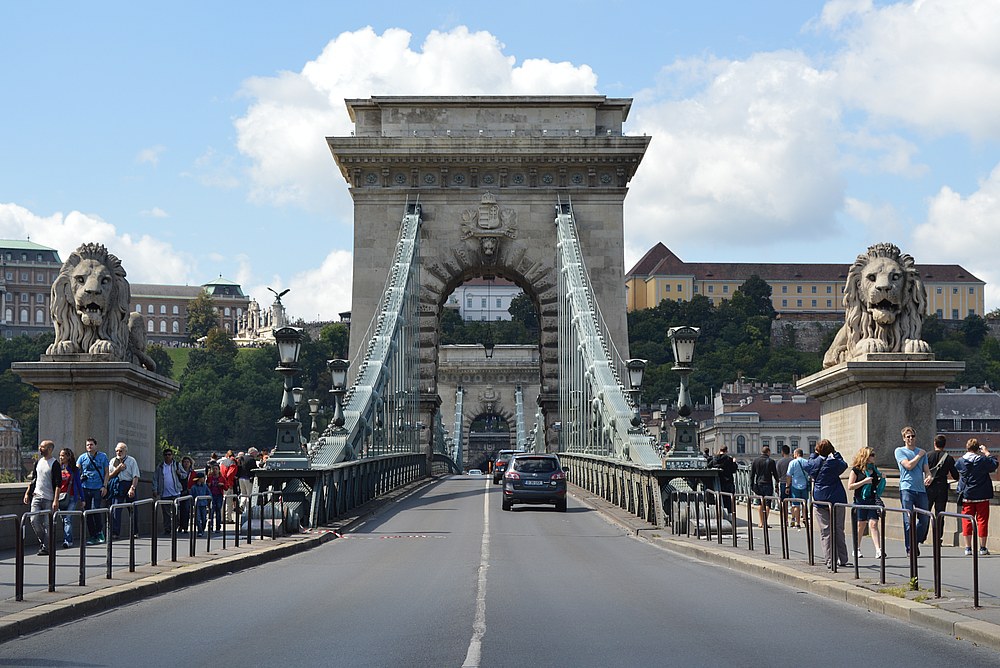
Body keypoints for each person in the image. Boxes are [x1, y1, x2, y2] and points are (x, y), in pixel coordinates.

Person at [803, 439, 849, 569]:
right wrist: (835, 453)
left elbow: (807, 465)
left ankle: (830, 560)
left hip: (820, 498)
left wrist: (815, 454)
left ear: (817, 450)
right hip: (837, 497)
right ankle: (843, 558)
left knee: (825, 531)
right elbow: (844, 465)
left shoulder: (814, 463)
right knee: (839, 529)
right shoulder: (835, 463)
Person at [955, 438, 998, 556]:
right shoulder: (983, 461)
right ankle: (982, 547)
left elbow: (957, 468)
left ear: (967, 448)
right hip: (982, 494)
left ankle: (968, 547)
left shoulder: (960, 461)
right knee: (982, 521)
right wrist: (987, 452)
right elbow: (994, 464)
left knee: (967, 521)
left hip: (967, 495)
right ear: (977, 448)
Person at [895, 426, 931, 556]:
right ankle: (910, 547)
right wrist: (919, 455)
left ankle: (915, 541)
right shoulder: (900, 451)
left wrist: (929, 476)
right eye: (908, 436)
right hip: (907, 488)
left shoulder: (922, 453)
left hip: (920, 489)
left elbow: (926, 469)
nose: (910, 439)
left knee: (925, 519)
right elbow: (908, 466)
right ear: (904, 438)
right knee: (908, 520)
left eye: (912, 436)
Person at [23, 440, 61, 555]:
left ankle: (46, 546)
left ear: (49, 449)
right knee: (33, 520)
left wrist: (55, 500)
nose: (40, 448)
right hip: (36, 496)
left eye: (43, 447)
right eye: (40, 446)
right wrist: (27, 493)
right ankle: (46, 542)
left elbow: (58, 484)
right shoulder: (38, 462)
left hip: (49, 498)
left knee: (48, 524)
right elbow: (34, 479)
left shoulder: (54, 464)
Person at [848, 447, 885, 559]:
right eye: (871, 455)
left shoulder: (874, 470)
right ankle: (857, 547)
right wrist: (863, 482)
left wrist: (882, 479)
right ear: (865, 456)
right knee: (861, 524)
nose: (874, 457)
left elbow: (876, 486)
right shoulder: (856, 470)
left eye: (873, 454)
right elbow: (850, 486)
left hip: (872, 499)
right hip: (860, 499)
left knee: (873, 524)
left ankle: (879, 550)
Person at [76, 437, 109, 545]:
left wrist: (104, 486)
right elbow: (76, 471)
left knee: (95, 510)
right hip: (85, 487)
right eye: (87, 445)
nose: (89, 447)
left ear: (96, 445)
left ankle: (99, 532)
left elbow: (106, 473)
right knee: (87, 512)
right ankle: (92, 535)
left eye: (91, 445)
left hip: (97, 488)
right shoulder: (82, 457)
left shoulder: (103, 457)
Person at [107, 442, 140, 539]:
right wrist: (117, 469)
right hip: (118, 485)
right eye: (117, 450)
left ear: (125, 451)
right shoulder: (113, 461)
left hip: (128, 484)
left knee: (133, 510)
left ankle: (135, 532)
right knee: (116, 509)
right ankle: (115, 532)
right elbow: (108, 476)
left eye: (120, 451)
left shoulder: (131, 461)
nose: (118, 452)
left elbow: (135, 476)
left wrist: (132, 488)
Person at [926, 434, 959, 524]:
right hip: (942, 487)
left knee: (925, 513)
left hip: (928, 486)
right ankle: (938, 536)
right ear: (944, 444)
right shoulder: (949, 458)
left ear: (934, 443)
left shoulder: (927, 456)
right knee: (940, 515)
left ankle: (922, 535)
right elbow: (955, 475)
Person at [57, 447, 84, 549]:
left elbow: (78, 484)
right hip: (60, 497)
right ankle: (68, 538)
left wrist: (82, 498)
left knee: (68, 519)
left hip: (72, 497)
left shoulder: (74, 470)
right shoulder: (58, 468)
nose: (61, 457)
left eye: (63, 455)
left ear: (68, 457)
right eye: (60, 455)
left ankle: (67, 541)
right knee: (63, 519)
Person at [152, 449, 184, 534]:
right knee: (166, 513)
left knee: (176, 511)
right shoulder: (160, 466)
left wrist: (179, 473)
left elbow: (185, 475)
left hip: (175, 492)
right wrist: (155, 489)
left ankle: (175, 526)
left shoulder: (177, 465)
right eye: (166, 455)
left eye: (169, 454)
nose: (167, 456)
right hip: (164, 493)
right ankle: (167, 529)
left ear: (172, 455)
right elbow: (155, 479)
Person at [750, 446, 779, 528]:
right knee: (767, 504)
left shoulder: (755, 461)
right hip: (768, 484)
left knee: (760, 503)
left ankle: (760, 522)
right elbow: (775, 474)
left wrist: (752, 485)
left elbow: (752, 474)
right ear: (768, 452)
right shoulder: (771, 461)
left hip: (759, 484)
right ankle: (765, 522)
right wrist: (777, 483)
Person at [785, 448, 810, 529]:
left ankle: (797, 523)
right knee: (804, 504)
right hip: (805, 486)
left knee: (796, 505)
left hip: (795, 486)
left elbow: (788, 475)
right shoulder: (807, 462)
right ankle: (805, 519)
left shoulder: (792, 462)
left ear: (796, 454)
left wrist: (787, 486)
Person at [709, 445, 738, 514]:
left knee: (718, 497)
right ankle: (730, 513)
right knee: (729, 499)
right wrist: (734, 462)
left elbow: (709, 466)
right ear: (726, 451)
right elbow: (734, 470)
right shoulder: (729, 459)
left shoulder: (715, 458)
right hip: (728, 481)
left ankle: (719, 512)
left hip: (718, 481)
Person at [177, 455, 196, 534]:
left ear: (190, 463)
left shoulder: (193, 473)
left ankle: (185, 526)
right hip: (180, 492)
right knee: (179, 510)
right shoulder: (179, 472)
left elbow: (195, 482)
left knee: (186, 509)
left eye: (188, 462)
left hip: (189, 493)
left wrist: (191, 489)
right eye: (184, 462)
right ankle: (180, 525)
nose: (186, 464)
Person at [188, 473, 210, 537]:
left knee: (204, 519)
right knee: (197, 518)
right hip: (196, 505)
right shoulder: (193, 487)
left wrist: (209, 500)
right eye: (203, 478)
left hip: (203, 504)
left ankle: (202, 529)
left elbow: (209, 493)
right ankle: (199, 531)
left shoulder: (205, 486)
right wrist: (191, 504)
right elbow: (191, 496)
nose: (204, 479)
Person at [206, 461, 226, 533]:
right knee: (211, 511)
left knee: (218, 510)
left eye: (216, 469)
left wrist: (222, 485)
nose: (215, 470)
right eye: (213, 469)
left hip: (219, 495)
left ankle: (218, 527)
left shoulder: (221, 478)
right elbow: (206, 487)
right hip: (212, 495)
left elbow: (226, 487)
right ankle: (210, 526)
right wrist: (208, 485)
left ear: (219, 470)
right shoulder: (210, 477)